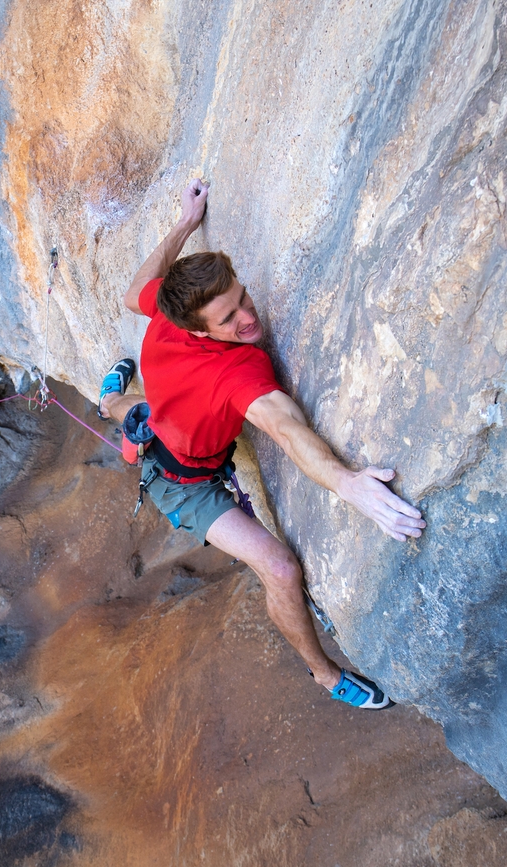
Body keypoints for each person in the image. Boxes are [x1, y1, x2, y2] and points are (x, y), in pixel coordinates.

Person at [98, 178, 426, 709]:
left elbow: (135, 285)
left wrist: (187, 222)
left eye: (243, 297)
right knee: (279, 568)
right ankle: (324, 674)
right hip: (186, 486)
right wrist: (349, 485)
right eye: (228, 319)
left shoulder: (169, 309)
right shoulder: (237, 371)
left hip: (166, 421)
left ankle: (112, 399)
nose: (247, 318)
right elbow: (285, 430)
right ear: (199, 331)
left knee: (138, 411)